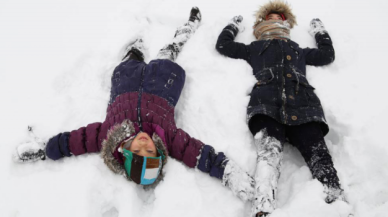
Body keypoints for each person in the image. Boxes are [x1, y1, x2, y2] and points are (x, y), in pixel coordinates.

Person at [13, 7, 256, 202]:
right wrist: (227, 171)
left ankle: (136, 47)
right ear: (158, 151)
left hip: (127, 79)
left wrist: (46, 149)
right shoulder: (168, 137)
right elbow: (199, 153)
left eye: (137, 152)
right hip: (161, 81)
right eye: (151, 151)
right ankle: (189, 27)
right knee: (169, 51)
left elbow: (74, 142)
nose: (144, 144)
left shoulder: (107, 135)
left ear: (125, 152)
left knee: (131, 58)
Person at [215, 1, 346, 216]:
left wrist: (320, 31)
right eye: (271, 18)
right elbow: (223, 46)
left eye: (280, 18)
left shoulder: (297, 50)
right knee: (268, 157)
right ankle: (263, 209)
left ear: (286, 24)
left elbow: (326, 55)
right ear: (263, 22)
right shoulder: (255, 49)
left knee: (320, 156)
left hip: (304, 107)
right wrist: (233, 25)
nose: (276, 20)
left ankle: (338, 205)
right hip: (266, 106)